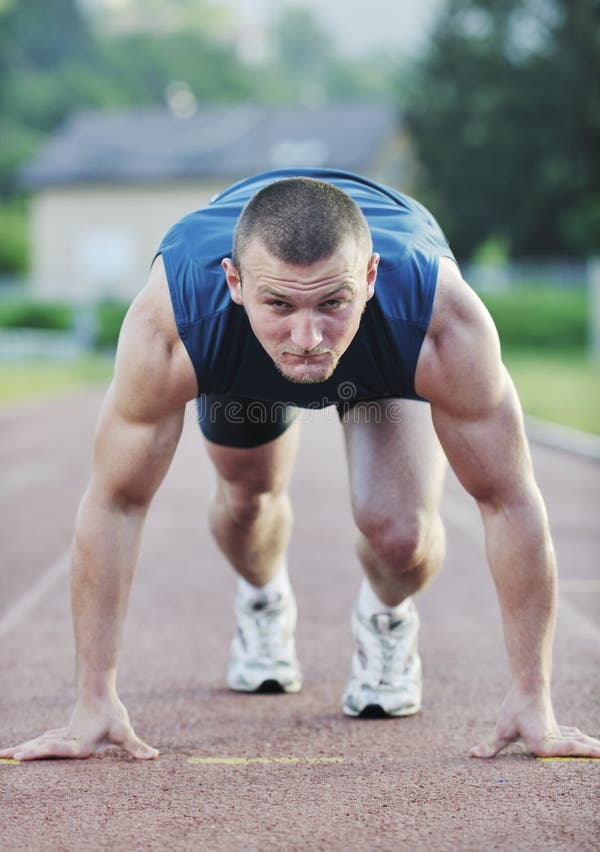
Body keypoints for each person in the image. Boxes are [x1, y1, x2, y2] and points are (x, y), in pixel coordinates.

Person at [2, 168, 599, 762]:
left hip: (381, 346)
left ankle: (385, 615)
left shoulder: (439, 320)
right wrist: (93, 698)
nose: (308, 336)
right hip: (243, 351)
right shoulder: (176, 322)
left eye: (331, 302)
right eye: (280, 304)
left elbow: (509, 500)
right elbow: (116, 501)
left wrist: (534, 697)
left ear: (370, 277)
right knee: (247, 506)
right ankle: (264, 599)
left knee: (402, 537)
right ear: (234, 282)